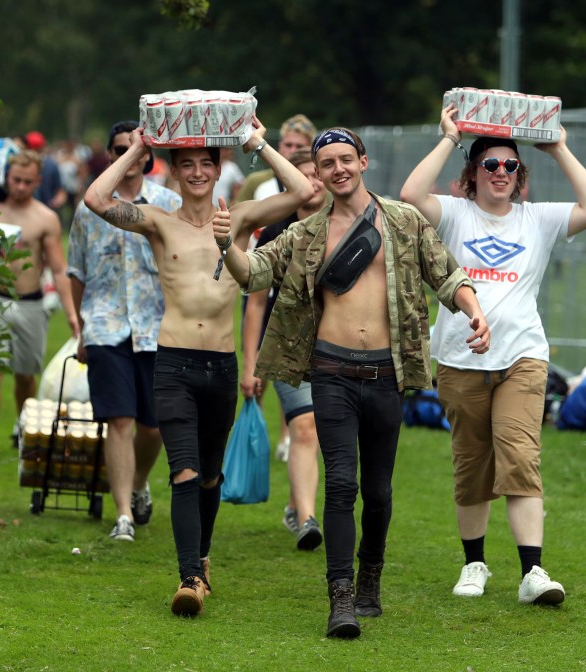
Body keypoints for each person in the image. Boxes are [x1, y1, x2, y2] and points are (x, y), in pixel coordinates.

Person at [214, 127, 489, 639]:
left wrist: (474, 312)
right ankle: (339, 596)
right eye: (327, 163)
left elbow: (447, 275)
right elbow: (252, 275)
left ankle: (369, 579)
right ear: (316, 173)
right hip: (331, 370)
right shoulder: (303, 234)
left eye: (346, 159)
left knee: (379, 491)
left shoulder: (402, 222)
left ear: (363, 161)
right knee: (341, 483)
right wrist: (224, 242)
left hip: (388, 371)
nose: (337, 169)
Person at [83, 114, 312, 618]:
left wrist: (259, 143)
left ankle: (201, 561)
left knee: (210, 476)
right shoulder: (158, 222)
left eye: (204, 164)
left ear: (217, 167)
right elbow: (96, 200)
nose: (196, 173)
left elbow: (302, 191)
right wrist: (136, 148)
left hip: (222, 367)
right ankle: (188, 578)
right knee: (184, 471)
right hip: (175, 362)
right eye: (185, 165)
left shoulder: (242, 215)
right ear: (174, 171)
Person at [400, 104, 586, 607]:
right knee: (471, 466)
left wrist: (557, 146)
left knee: (520, 458)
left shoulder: (537, 220)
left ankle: (533, 572)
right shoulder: (454, 214)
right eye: (490, 166)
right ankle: (474, 563)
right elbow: (409, 197)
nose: (500, 173)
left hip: (522, 358)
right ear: (472, 175)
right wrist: (450, 138)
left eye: (510, 167)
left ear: (520, 177)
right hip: (458, 360)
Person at [67, 120, 182, 543]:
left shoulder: (170, 203)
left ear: (148, 155)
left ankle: (137, 486)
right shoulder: (89, 208)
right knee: (119, 420)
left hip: (158, 327)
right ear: (112, 155)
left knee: (152, 427)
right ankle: (122, 516)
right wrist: (80, 327)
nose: (125, 155)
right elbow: (75, 270)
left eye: (133, 148)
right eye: (118, 149)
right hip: (105, 324)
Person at [240, 148, 326, 551]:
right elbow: (255, 304)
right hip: (287, 348)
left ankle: (296, 503)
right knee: (303, 426)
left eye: (319, 174)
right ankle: (308, 517)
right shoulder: (276, 233)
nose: (313, 182)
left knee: (321, 432)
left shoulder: (344, 228)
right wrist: (251, 363)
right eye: (304, 175)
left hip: (335, 348)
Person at [0, 150, 81, 459]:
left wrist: (72, 311)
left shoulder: (45, 218)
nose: (20, 186)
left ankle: (22, 425)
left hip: (31, 302)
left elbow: (59, 268)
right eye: (15, 180)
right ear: (6, 178)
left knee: (24, 374)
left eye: (26, 181)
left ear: (37, 182)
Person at [234, 113, 316, 205]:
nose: (293, 151)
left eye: (299, 146)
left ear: (310, 149)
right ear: (280, 146)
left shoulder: (320, 184)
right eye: (288, 145)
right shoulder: (255, 181)